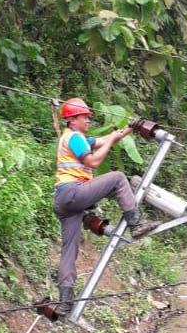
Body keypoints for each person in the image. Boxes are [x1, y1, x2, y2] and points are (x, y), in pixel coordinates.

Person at [53, 98, 156, 317]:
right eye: (84, 117)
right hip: (74, 192)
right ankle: (136, 223)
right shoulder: (75, 138)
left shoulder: (73, 138)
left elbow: (107, 139)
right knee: (119, 178)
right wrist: (109, 144)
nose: (88, 120)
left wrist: (130, 128)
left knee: (69, 250)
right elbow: (93, 163)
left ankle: (64, 303)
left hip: (63, 199)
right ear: (72, 120)